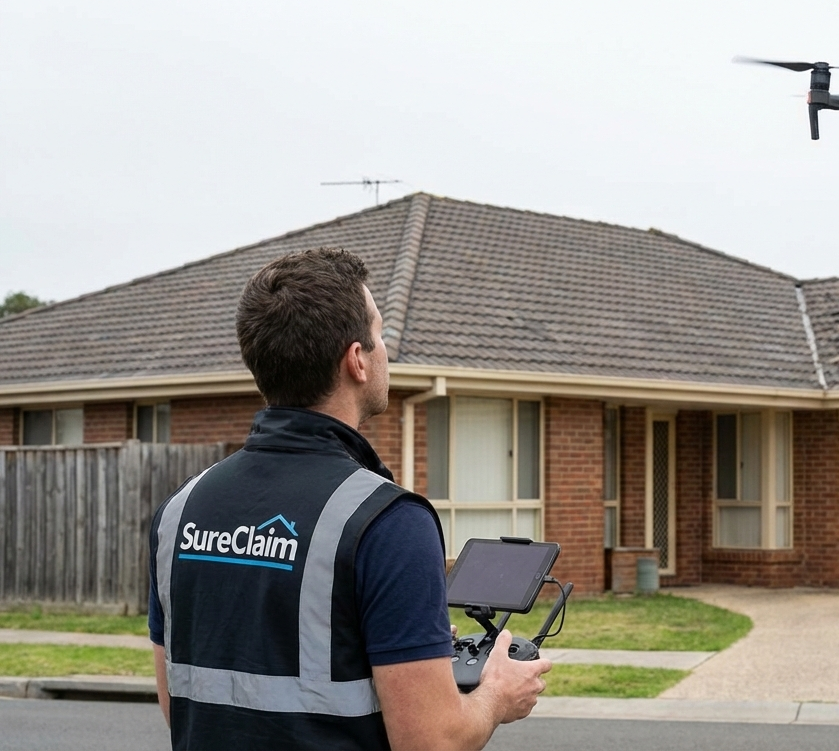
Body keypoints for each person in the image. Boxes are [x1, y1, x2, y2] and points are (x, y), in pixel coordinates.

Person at [148, 247, 550, 750]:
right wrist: (497, 696)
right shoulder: (388, 522)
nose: (386, 351)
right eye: (379, 336)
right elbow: (431, 742)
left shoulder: (179, 511)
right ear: (357, 361)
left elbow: (178, 706)